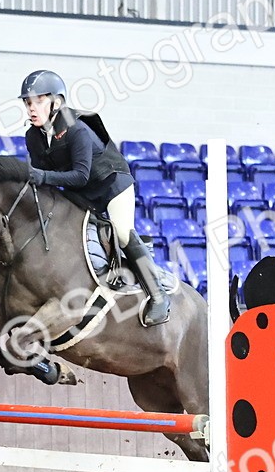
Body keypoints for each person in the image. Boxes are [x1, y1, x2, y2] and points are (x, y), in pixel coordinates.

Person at [19, 70, 171, 326]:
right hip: (81, 193)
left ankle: (158, 296)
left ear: (56, 102)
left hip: (112, 184)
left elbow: (78, 175)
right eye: (28, 103)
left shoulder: (76, 129)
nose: (32, 108)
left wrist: (42, 177)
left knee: (122, 232)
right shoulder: (33, 136)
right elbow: (44, 180)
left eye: (39, 101)